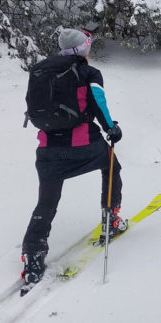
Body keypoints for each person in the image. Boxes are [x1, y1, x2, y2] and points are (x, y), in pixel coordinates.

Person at [21, 28, 125, 285]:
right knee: (111, 165)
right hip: (84, 146)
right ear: (82, 49)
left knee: (46, 203)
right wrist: (111, 128)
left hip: (47, 150)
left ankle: (33, 255)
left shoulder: (43, 71)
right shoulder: (89, 72)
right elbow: (98, 101)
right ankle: (111, 219)